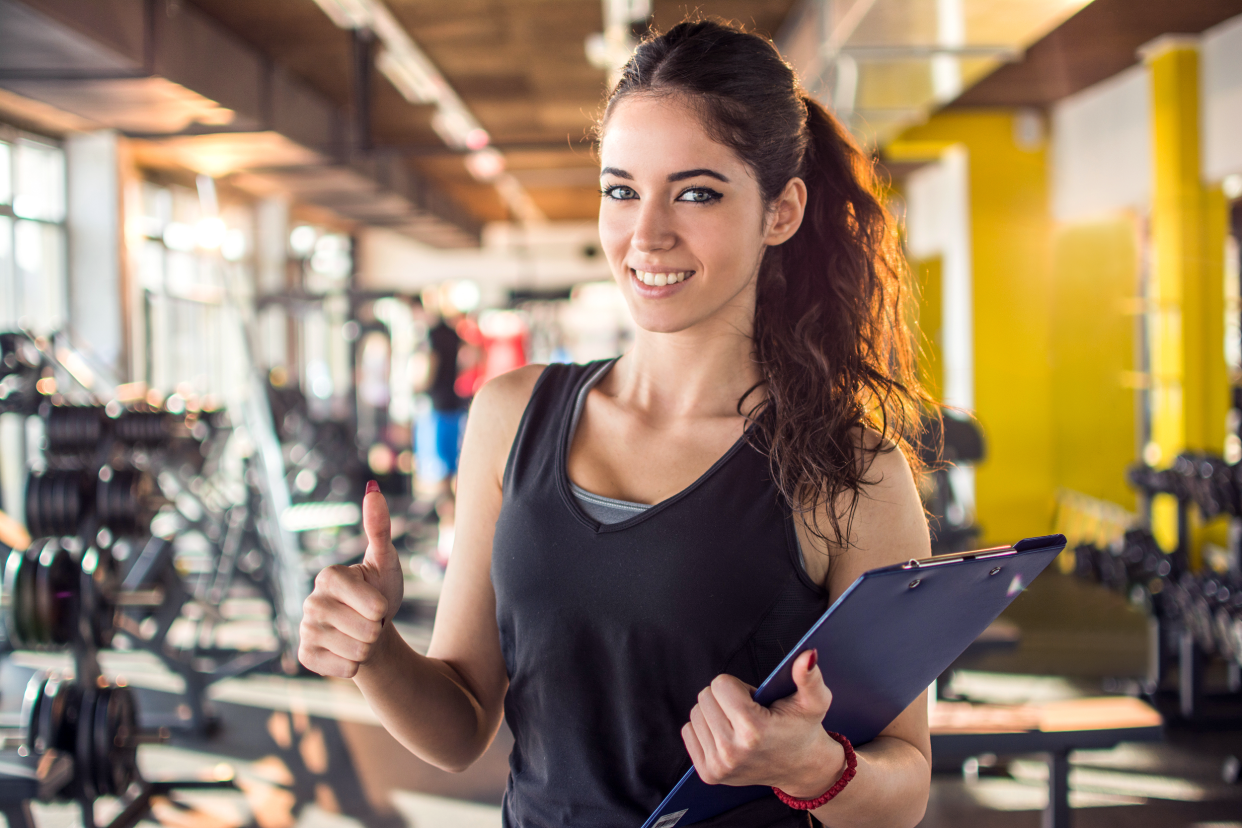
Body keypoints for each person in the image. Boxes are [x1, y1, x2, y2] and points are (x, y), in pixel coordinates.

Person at [299, 19, 933, 828]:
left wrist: (813, 767)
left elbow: (905, 787)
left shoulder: (848, 469)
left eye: (696, 192)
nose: (647, 233)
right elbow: (459, 726)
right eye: (622, 189)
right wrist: (374, 652)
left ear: (781, 212)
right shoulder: (513, 415)